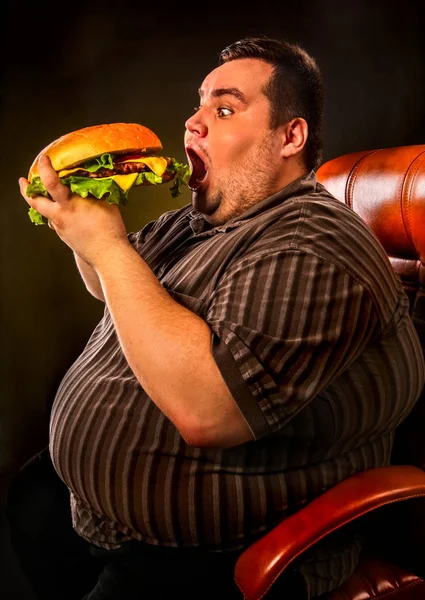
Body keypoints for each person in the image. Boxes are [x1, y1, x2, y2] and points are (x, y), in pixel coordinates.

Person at [8, 36, 425, 600]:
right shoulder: (199, 222)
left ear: (290, 137)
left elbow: (209, 412)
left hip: (212, 554)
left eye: (224, 109)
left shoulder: (314, 242)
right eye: (199, 105)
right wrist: (83, 229)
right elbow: (111, 287)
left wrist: (108, 247)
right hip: (91, 515)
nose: (193, 123)